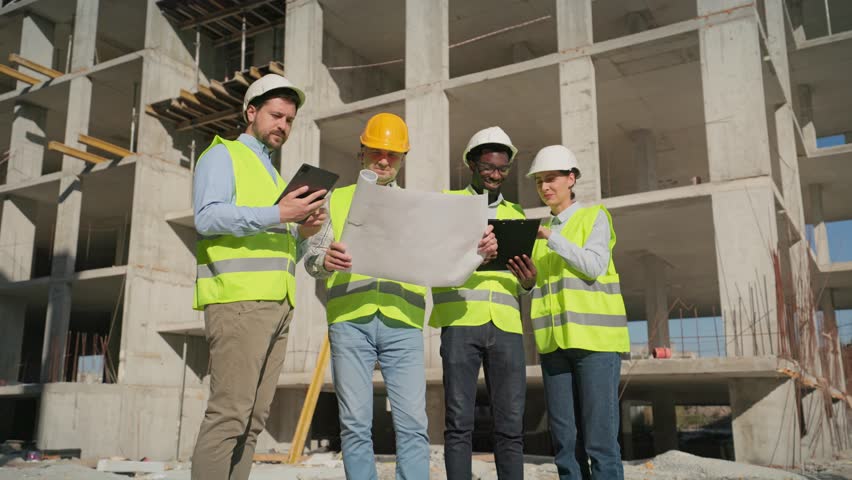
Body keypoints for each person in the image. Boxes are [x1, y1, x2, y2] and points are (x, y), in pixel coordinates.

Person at [304, 113, 497, 480]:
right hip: (350, 323)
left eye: (392, 154)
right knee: (355, 424)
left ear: (403, 158)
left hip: (403, 323)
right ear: (361, 152)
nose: (384, 160)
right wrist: (325, 260)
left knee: (412, 425)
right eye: (376, 151)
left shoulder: (419, 207)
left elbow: (446, 263)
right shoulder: (336, 200)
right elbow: (313, 260)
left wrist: (479, 254)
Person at [191, 74, 327, 480]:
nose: (282, 125)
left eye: (289, 119)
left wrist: (301, 233)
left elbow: (280, 247)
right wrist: (279, 214)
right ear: (251, 112)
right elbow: (206, 216)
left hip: (278, 304)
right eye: (275, 115)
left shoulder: (272, 175)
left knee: (252, 422)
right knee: (228, 417)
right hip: (238, 302)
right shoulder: (223, 155)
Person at [508, 145, 630, 480]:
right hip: (553, 347)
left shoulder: (594, 217)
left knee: (600, 442)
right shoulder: (538, 233)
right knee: (565, 443)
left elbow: (593, 265)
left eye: (551, 179)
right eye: (539, 182)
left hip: (596, 345)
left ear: (571, 178)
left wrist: (552, 236)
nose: (545, 187)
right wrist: (526, 282)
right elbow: (531, 286)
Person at [429, 127, 526, 479]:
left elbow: (528, 280)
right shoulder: (447, 206)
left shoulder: (517, 214)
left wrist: (528, 280)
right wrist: (474, 257)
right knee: (458, 422)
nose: (496, 175)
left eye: (502, 169)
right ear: (471, 163)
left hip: (506, 327)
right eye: (489, 167)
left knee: (511, 425)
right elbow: (433, 261)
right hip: (460, 320)